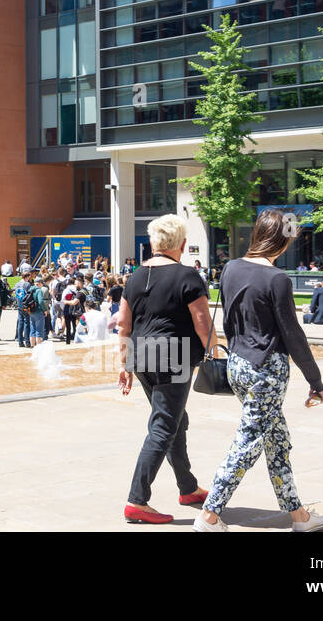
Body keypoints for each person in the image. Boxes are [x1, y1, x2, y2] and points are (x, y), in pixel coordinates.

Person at [196, 209, 323, 533]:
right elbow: (293, 335)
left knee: (276, 440)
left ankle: (298, 516)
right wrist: (316, 381)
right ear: (282, 241)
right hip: (266, 371)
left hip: (237, 365)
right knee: (249, 441)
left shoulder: (230, 268)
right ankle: (210, 514)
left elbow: (228, 320)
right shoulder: (277, 279)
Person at [116, 214, 214, 525]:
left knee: (174, 421)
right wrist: (213, 354)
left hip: (142, 359)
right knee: (163, 427)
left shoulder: (134, 276)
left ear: (153, 243)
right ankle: (137, 500)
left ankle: (187, 488)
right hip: (175, 357)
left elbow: (123, 324)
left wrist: (124, 364)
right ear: (182, 244)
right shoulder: (188, 276)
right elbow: (203, 323)